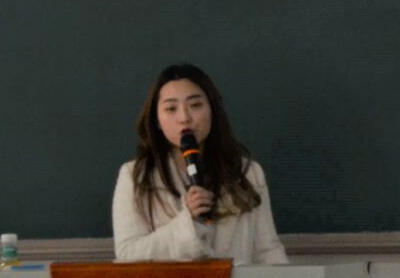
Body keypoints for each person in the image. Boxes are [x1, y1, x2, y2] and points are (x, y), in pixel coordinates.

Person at [112, 64, 288, 264]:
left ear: (212, 109)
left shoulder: (248, 173)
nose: (184, 118)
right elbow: (128, 254)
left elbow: (267, 251)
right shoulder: (135, 176)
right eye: (171, 108)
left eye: (195, 105)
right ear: (157, 120)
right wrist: (189, 223)